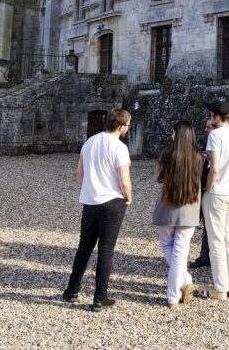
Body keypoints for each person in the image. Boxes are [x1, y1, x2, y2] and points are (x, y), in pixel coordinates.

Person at [62, 108, 133, 310]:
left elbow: (80, 173)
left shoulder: (90, 142)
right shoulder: (119, 148)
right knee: (105, 250)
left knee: (84, 247)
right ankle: (99, 297)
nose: (127, 129)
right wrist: (128, 198)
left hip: (90, 202)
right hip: (112, 202)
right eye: (127, 126)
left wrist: (89, 189)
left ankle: (72, 290)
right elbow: (124, 181)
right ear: (120, 127)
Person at [199, 100, 229, 300]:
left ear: (217, 117)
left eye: (211, 116)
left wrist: (207, 188)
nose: (210, 119)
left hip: (217, 192)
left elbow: (215, 168)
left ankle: (220, 288)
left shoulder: (216, 135)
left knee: (216, 240)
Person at [153, 120, 202, 308]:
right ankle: (183, 283)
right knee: (181, 251)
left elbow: (159, 178)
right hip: (190, 207)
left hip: (168, 207)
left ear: (179, 135)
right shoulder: (199, 157)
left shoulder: (167, 155)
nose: (171, 136)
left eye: (173, 133)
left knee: (167, 245)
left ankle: (174, 294)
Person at [188, 116, 215, 269]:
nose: (205, 130)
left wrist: (206, 189)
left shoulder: (219, 144)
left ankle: (211, 257)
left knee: (213, 226)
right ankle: (205, 256)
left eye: (208, 127)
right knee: (206, 225)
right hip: (204, 189)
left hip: (213, 191)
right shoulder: (209, 142)